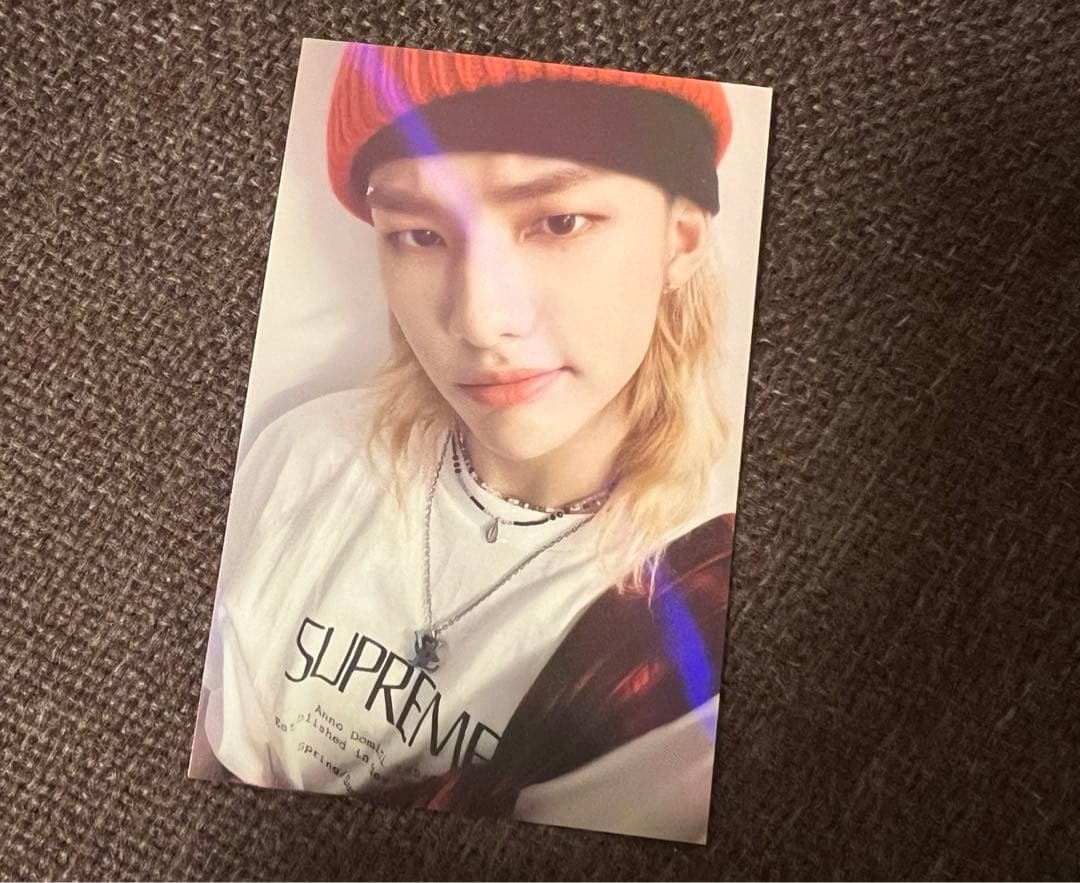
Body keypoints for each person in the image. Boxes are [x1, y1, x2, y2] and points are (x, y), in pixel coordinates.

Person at [191, 42, 737, 843]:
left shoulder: (696, 619)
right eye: (417, 233)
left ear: (679, 241)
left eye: (558, 221)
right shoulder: (307, 453)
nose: (478, 320)